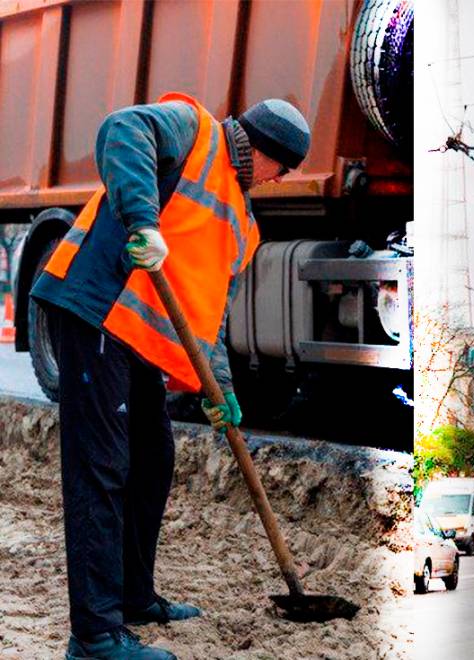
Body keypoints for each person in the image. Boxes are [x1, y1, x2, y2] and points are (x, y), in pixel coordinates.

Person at [30, 93, 310, 660]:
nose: (280, 179)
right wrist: (143, 221)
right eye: (283, 167)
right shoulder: (192, 131)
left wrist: (220, 389)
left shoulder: (243, 225)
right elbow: (121, 129)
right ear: (262, 150)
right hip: (95, 309)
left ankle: (134, 597)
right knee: (101, 468)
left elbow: (210, 316)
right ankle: (95, 636)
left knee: (153, 460)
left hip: (136, 341)